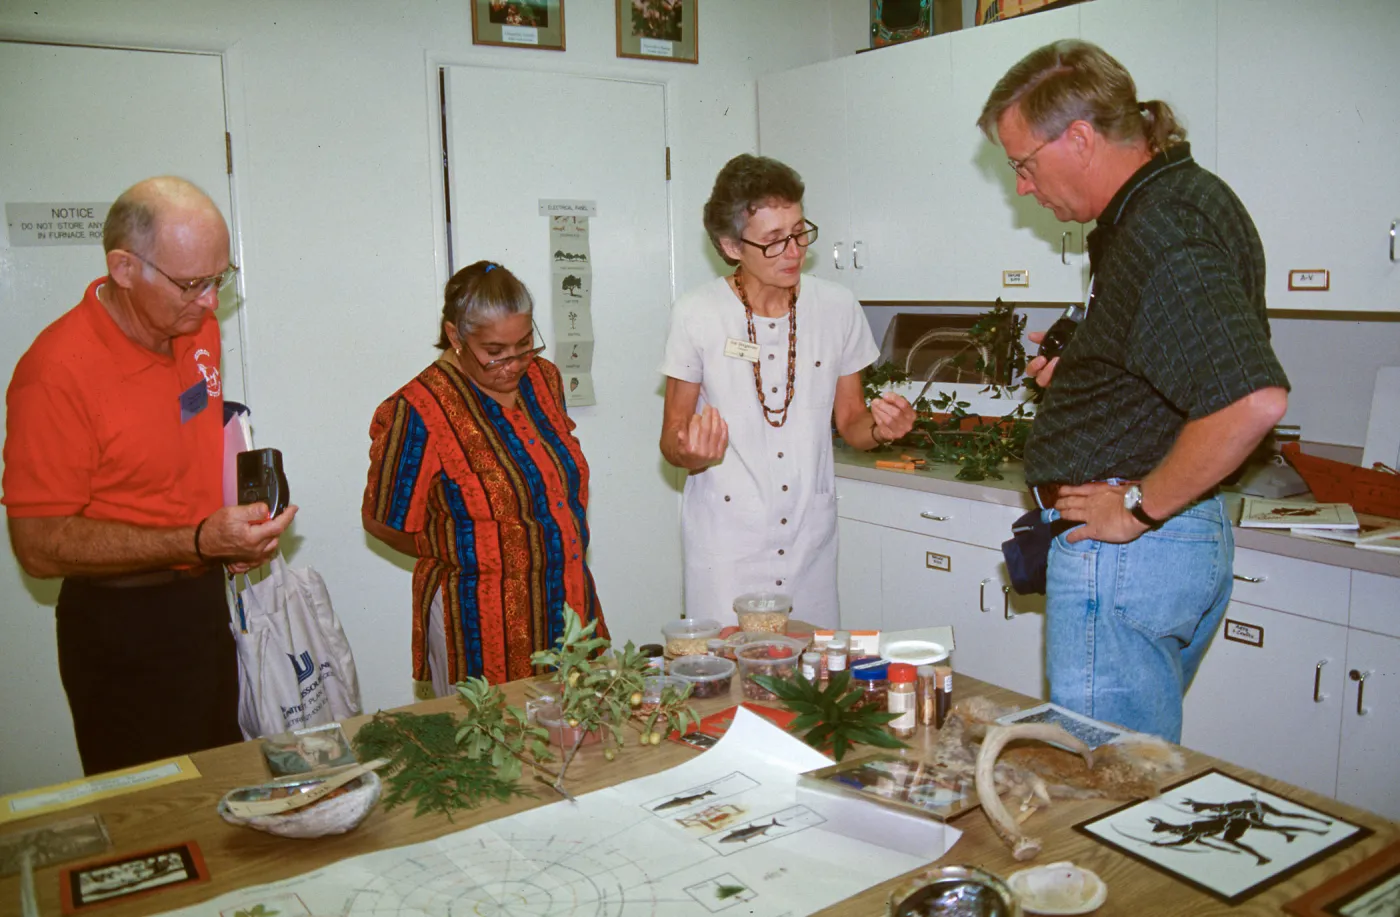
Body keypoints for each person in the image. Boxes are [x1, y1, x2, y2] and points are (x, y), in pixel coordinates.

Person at [978, 41, 1290, 742]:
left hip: (1130, 549)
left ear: (1080, 138)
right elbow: (1176, 360)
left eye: (1024, 164)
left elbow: (1253, 397)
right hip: (1165, 545)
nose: (1023, 187)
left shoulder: (1161, 226)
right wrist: (1092, 365)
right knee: (1135, 772)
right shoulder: (1174, 200)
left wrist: (1137, 509)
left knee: (1106, 785)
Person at [2, 176, 296, 775]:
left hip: (200, 604)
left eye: (220, 278)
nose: (211, 302)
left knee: (224, 786)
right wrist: (194, 540)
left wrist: (227, 537)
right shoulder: (55, 373)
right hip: (120, 630)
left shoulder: (195, 329)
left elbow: (181, 448)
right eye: (192, 283)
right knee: (152, 813)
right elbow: (37, 545)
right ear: (124, 268)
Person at [659, 154, 916, 627]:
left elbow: (852, 424)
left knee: (811, 682)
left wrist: (882, 428)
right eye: (774, 240)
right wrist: (694, 452)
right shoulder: (697, 313)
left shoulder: (836, 307)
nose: (794, 250)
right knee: (729, 682)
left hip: (808, 540)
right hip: (727, 545)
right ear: (732, 246)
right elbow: (672, 438)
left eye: (799, 232)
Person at [363, 260, 606, 696]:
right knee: (494, 750)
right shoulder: (418, 410)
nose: (513, 363)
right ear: (455, 336)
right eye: (494, 350)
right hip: (479, 625)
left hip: (567, 605)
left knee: (578, 743)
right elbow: (383, 522)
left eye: (525, 343)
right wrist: (468, 551)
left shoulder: (544, 380)